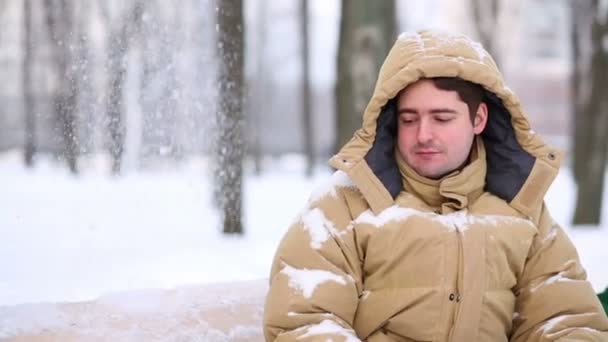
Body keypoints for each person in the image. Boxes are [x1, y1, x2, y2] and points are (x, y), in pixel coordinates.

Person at [263, 30, 608, 341]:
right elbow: (305, 321)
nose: (423, 134)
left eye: (442, 118)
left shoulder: (522, 209)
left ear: (479, 119)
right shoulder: (343, 204)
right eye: (409, 119)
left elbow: (566, 320)